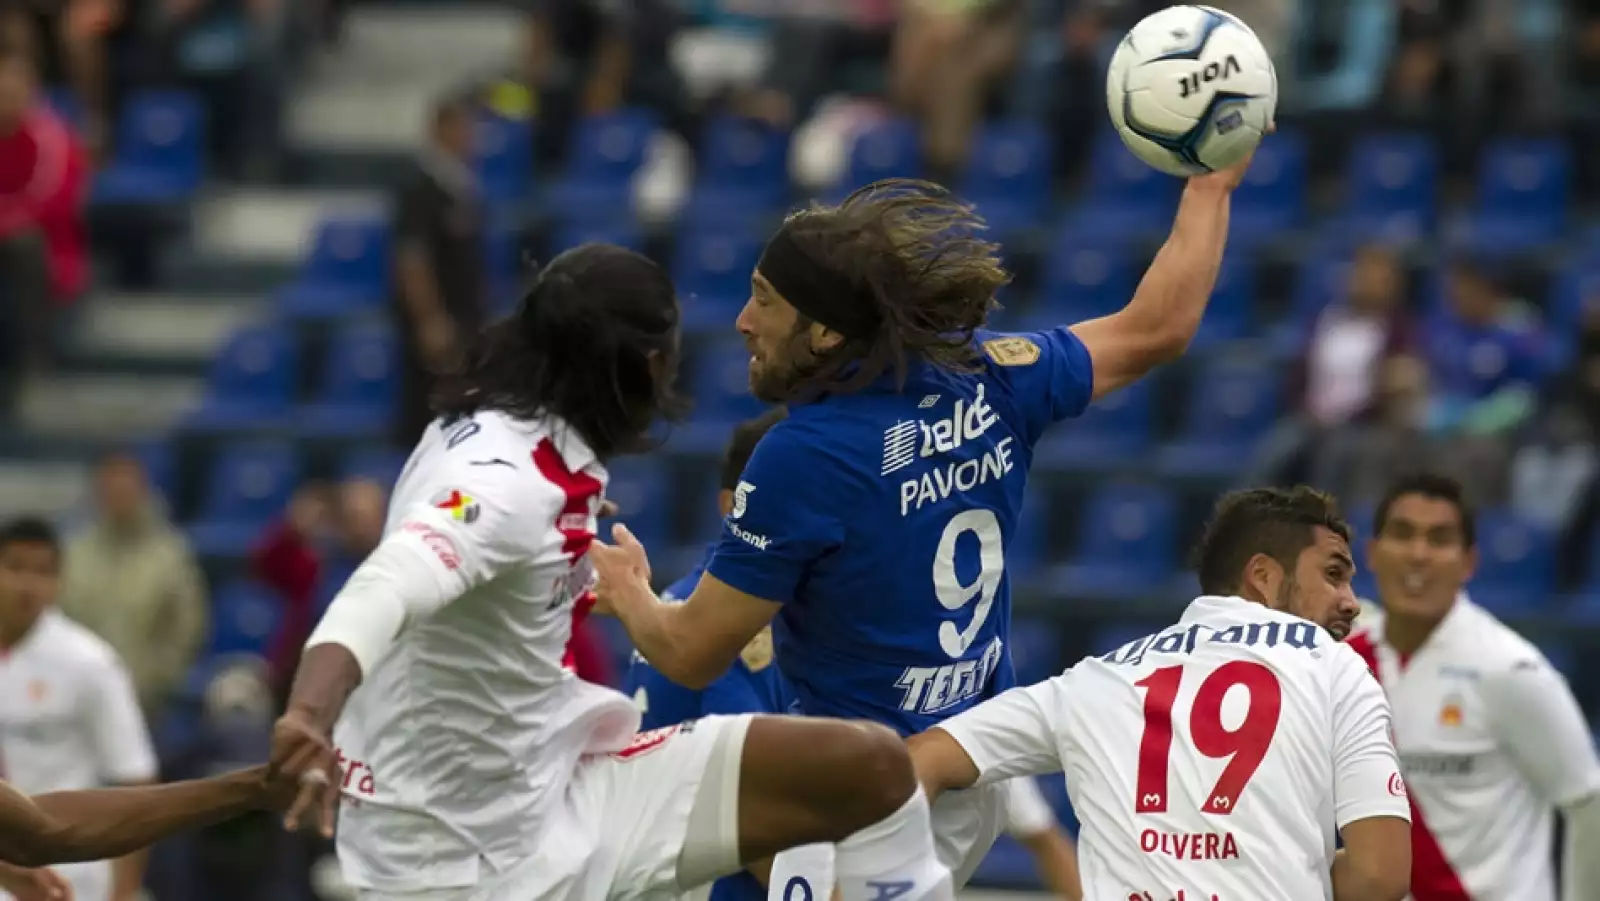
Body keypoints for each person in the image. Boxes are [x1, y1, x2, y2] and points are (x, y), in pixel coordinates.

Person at [592, 159, 1258, 887]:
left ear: (822, 336)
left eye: (764, 301)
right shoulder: (994, 376)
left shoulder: (804, 455)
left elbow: (691, 653)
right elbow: (1159, 326)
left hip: (865, 798)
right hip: (970, 767)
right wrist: (1210, 186)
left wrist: (630, 590)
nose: (743, 321)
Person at [268, 243, 958, 901]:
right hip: (457, 859)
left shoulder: (511, 430)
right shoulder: (501, 482)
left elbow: (493, 580)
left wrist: (578, 581)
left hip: (558, 788)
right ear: (649, 366)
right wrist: (306, 711)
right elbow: (386, 583)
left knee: (868, 765)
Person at [906, 486, 1413, 901]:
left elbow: (920, 759)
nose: (1351, 602)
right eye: (1333, 575)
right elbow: (1379, 878)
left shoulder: (1095, 679)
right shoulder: (1337, 668)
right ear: (1262, 575)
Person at [1348, 472, 1600, 901]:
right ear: (1372, 553)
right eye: (1402, 535)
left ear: (1468, 562)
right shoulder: (1347, 665)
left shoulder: (1510, 670)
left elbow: (1588, 804)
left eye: (1439, 539)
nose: (1418, 554)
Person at [0, 516, 160, 901]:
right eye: (15, 567)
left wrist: (123, 893)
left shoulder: (90, 664)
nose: (28, 585)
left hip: (67, 870)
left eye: (43, 572)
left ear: (59, 582)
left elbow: (136, 785)